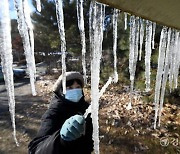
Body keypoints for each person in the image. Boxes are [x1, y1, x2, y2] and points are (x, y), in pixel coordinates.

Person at [28, 71, 93, 154]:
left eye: (78, 87)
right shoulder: (53, 113)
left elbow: (90, 140)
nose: (75, 91)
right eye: (69, 88)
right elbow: (35, 150)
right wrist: (61, 139)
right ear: (61, 91)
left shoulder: (85, 109)